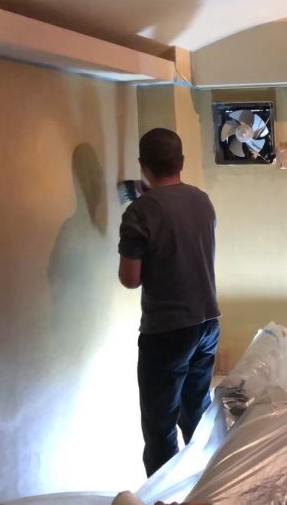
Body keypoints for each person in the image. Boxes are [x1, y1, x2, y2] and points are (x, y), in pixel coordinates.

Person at [118, 128, 221, 477]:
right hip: (207, 322)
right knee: (196, 412)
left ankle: (166, 493)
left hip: (166, 332)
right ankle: (205, 485)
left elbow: (130, 278)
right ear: (182, 162)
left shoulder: (139, 212)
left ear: (142, 165)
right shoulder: (202, 201)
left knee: (160, 426)